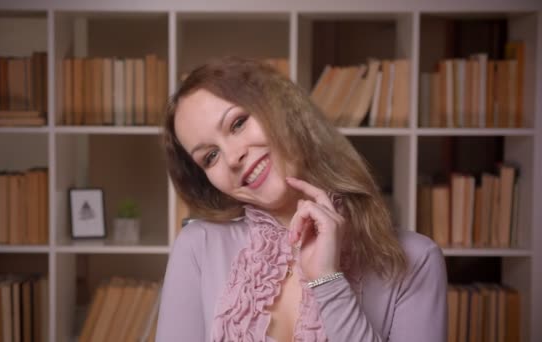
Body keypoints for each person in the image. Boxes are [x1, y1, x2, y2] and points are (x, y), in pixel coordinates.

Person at [155, 56, 447, 342]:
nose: (232, 157)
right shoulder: (197, 247)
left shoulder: (417, 260)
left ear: (282, 108)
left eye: (238, 123)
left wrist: (328, 281)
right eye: (210, 156)